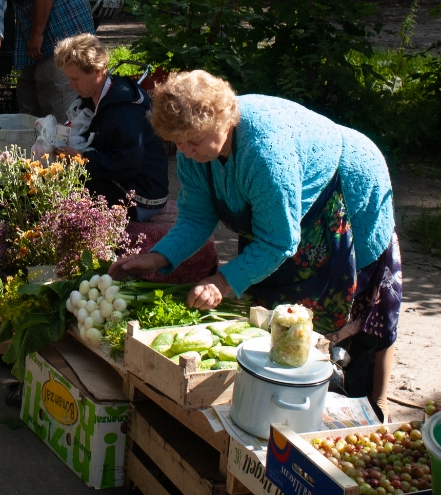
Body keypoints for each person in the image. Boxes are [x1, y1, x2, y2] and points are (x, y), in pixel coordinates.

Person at [110, 70, 401, 421]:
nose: (185, 151)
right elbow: (196, 217)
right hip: (284, 213)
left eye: (193, 142)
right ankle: (285, 399)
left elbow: (278, 241)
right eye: (178, 144)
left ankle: (374, 404)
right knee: (275, 306)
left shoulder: (264, 152)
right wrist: (158, 258)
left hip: (347, 192)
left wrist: (223, 280)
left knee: (366, 309)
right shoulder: (197, 149)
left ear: (223, 120)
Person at [52, 34, 168, 221]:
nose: (72, 85)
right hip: (123, 181)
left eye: (76, 79)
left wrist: (82, 159)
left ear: (97, 72)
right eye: (69, 79)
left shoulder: (123, 109)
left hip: (143, 195)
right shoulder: (93, 97)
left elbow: (127, 162)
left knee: (66, 194)